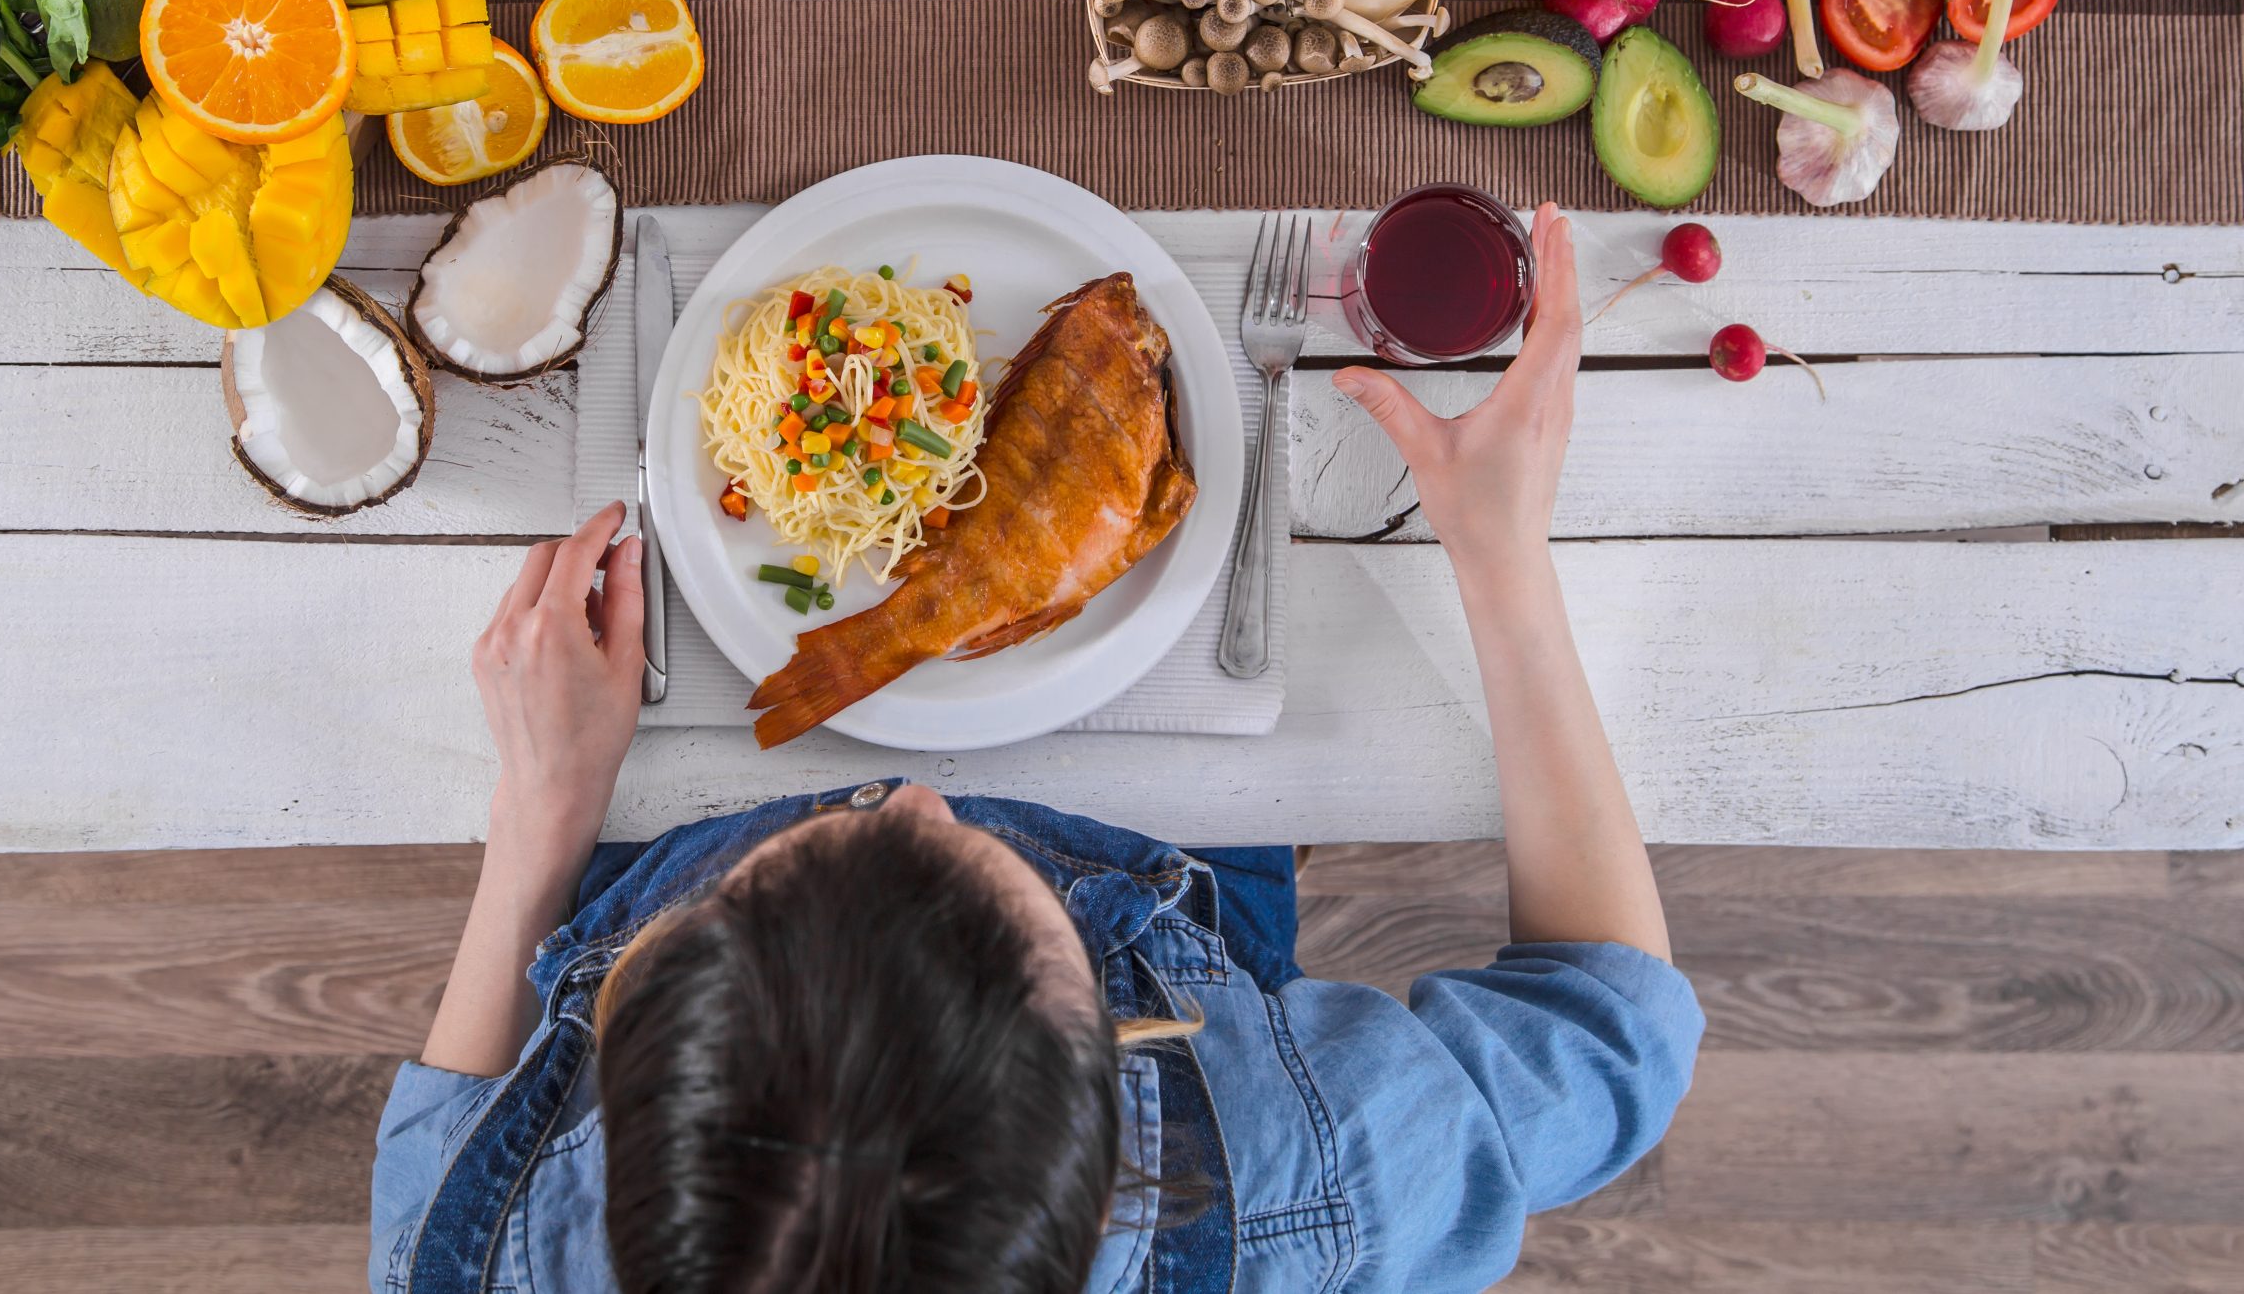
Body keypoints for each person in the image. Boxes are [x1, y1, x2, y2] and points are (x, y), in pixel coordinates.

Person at [371, 203, 1700, 1294]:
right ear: (1117, 1087)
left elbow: (434, 1179)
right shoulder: (1303, 1184)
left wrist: (541, 811)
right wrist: (1504, 555)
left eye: (795, 878)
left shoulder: (494, 1260)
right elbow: (1613, 1039)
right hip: (1184, 853)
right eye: (982, 888)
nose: (916, 806)